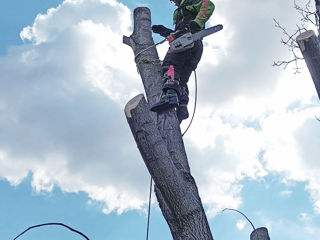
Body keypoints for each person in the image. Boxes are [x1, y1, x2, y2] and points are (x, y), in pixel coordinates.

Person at [150, 0, 215, 123]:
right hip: (192, 45)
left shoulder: (190, 2)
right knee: (182, 78)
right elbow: (178, 33)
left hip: (187, 42)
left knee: (170, 66)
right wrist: (163, 30)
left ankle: (170, 95)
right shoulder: (181, 13)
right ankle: (182, 106)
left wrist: (195, 24)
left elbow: (208, 5)